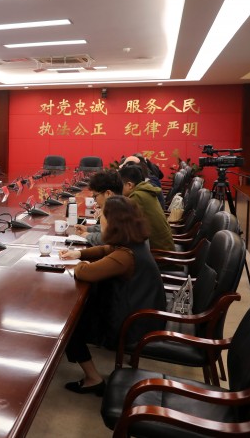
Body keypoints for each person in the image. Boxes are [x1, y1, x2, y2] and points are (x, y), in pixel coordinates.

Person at [58, 196, 166, 395]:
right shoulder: (133, 242)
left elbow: (85, 273)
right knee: (84, 308)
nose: (100, 220)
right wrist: (79, 254)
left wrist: (82, 264)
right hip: (141, 310)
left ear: (113, 223)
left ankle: (93, 378)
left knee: (70, 324)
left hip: (134, 323)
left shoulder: (124, 256)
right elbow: (106, 249)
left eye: (102, 217)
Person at [119, 164, 175, 251]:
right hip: (163, 246)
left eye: (120, 186)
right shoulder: (145, 190)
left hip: (159, 253)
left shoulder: (137, 196)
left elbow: (122, 225)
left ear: (129, 185)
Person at [73, 170, 123, 245]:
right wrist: (88, 229)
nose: (95, 201)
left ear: (108, 194)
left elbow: (108, 239)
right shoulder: (121, 205)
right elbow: (109, 229)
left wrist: (87, 235)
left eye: (95, 196)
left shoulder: (120, 211)